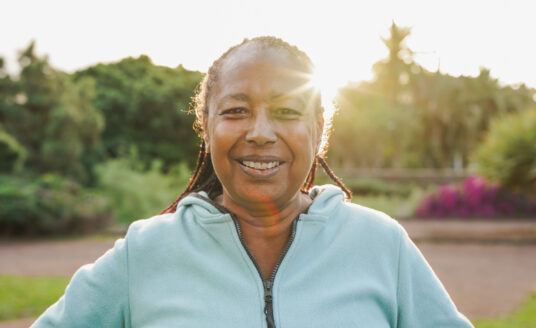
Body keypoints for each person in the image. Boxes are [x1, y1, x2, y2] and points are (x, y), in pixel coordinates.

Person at [32, 36, 473, 327]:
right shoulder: (144, 253)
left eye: (286, 111)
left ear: (319, 131)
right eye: (236, 111)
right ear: (206, 127)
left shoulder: (381, 245)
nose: (260, 132)